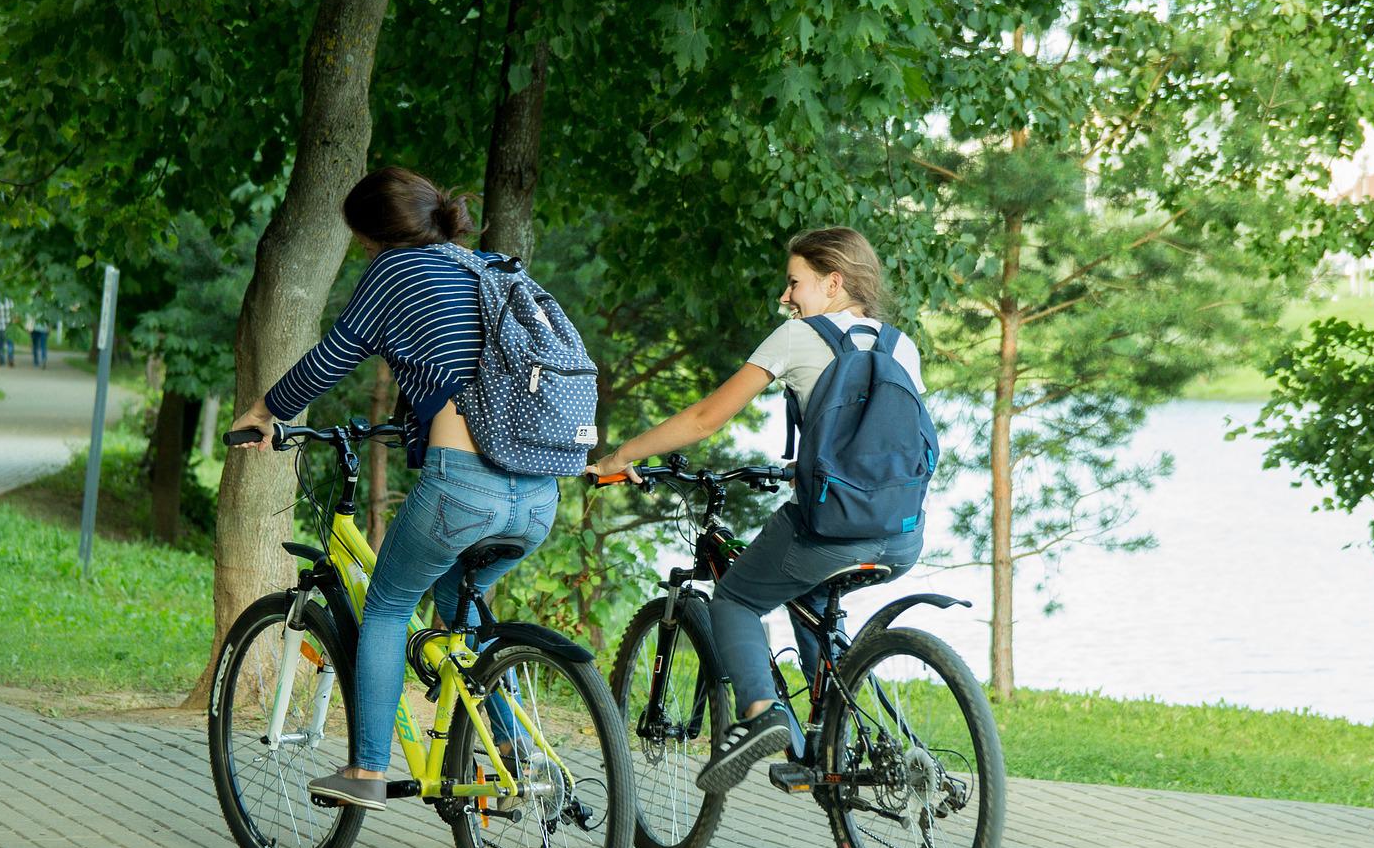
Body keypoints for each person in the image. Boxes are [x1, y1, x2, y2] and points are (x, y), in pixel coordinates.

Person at [228, 166, 558, 811]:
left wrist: (264, 411)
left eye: (359, 238)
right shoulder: (488, 268)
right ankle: (512, 753)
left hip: (462, 487)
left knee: (384, 608)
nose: (360, 250)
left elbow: (333, 356)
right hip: (540, 491)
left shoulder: (396, 271)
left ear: (374, 233)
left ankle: (367, 771)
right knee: (462, 609)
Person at [588, 226, 928, 795]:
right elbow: (886, 447)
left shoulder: (797, 338)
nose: (787, 296)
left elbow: (704, 418)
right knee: (811, 599)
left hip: (828, 531)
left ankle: (762, 714)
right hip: (901, 535)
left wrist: (619, 456)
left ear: (833, 281)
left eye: (795, 282)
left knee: (738, 598)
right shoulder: (903, 346)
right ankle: (826, 751)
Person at [0, 297, 15, 367]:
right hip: (9, 328)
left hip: (1, 328)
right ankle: (10, 358)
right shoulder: (11, 302)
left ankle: (2, 361)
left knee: (1, 345)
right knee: (10, 344)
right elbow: (14, 315)